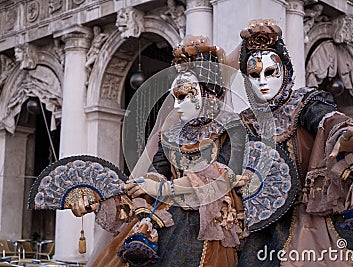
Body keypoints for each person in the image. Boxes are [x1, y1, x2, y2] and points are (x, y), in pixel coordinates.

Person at [229, 19, 353, 266]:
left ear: (285, 72)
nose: (262, 81)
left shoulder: (304, 104)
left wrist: (344, 137)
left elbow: (328, 121)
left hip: (309, 217)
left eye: (270, 72)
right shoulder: (244, 122)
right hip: (259, 223)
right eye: (254, 75)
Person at [72, 36, 248, 267]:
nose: (176, 106)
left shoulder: (230, 128)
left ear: (207, 92)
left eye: (185, 96)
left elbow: (222, 177)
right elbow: (156, 173)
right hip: (166, 215)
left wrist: (161, 188)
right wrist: (100, 200)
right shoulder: (172, 134)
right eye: (176, 97)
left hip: (210, 225)